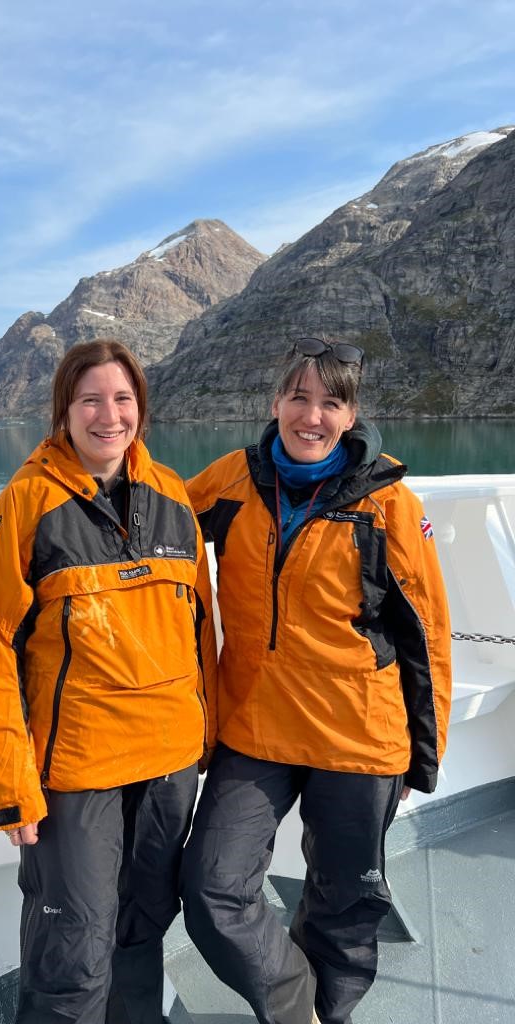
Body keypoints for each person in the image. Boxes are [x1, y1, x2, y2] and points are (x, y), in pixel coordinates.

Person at [180, 337, 452, 1024]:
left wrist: (426, 747)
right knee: (213, 887)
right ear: (275, 404)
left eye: (331, 402)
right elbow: (155, 532)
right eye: (299, 397)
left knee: (342, 907)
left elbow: (427, 632)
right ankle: (296, 1006)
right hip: (257, 727)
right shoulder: (231, 482)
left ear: (351, 414)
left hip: (358, 735)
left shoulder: (386, 500)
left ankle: (331, 1015)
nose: (312, 416)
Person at [0, 338, 216, 1024]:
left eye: (123, 398)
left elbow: (200, 638)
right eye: (91, 399)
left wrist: (206, 740)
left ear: (142, 410)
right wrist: (8, 784)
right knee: (71, 949)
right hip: (77, 770)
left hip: (169, 765)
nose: (109, 415)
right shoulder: (28, 503)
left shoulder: (173, 499)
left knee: (142, 924)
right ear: (64, 411)